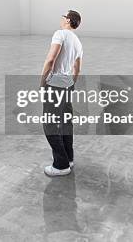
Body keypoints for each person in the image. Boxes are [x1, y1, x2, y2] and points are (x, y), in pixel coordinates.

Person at [39, 10, 83, 177]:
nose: (61, 18)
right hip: (68, 85)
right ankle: (69, 158)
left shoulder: (60, 34)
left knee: (50, 124)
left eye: (63, 16)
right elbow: (77, 68)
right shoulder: (78, 42)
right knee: (65, 123)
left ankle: (61, 165)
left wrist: (42, 81)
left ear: (68, 20)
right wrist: (71, 84)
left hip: (55, 84)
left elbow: (50, 60)